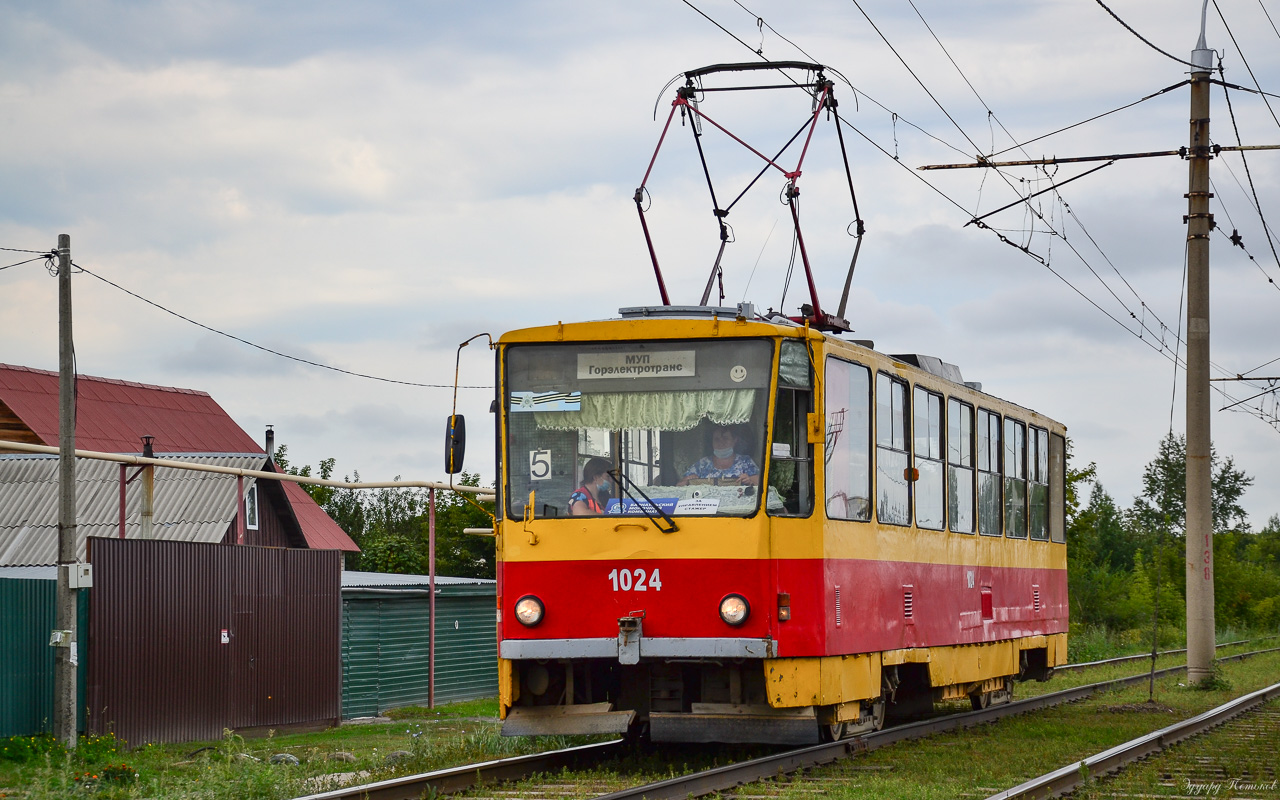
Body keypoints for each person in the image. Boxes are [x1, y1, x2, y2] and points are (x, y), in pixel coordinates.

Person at [678, 425, 760, 486]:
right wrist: (688, 479)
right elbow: (678, 486)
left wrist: (749, 481)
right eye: (716, 439)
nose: (721, 443)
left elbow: (760, 486)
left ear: (735, 440)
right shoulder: (702, 464)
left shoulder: (745, 462)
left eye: (725, 438)